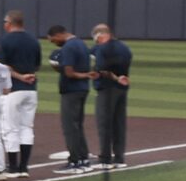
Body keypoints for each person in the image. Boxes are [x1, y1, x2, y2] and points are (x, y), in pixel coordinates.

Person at [0, 11, 46, 178]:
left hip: (13, 90)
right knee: (26, 127)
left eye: (5, 21)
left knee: (10, 128)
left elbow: (2, 66)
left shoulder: (5, 40)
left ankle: (13, 167)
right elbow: (37, 65)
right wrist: (28, 75)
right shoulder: (33, 40)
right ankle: (24, 167)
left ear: (9, 23)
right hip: (31, 90)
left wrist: (19, 76)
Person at [50, 23, 94, 167]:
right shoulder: (81, 43)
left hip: (71, 91)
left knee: (69, 127)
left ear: (59, 35)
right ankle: (83, 158)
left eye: (53, 39)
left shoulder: (68, 47)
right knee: (78, 125)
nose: (53, 42)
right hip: (82, 89)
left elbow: (69, 72)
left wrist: (57, 67)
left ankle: (74, 161)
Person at [91, 23, 133, 165]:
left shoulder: (103, 49)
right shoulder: (125, 47)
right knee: (119, 123)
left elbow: (102, 69)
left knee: (104, 123)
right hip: (122, 89)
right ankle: (119, 157)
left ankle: (105, 157)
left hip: (107, 89)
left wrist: (115, 77)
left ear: (101, 35)